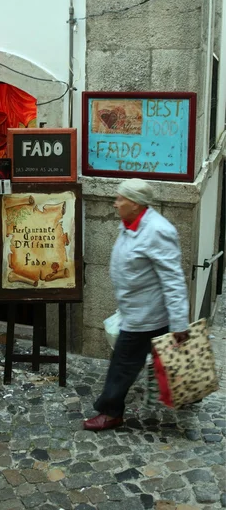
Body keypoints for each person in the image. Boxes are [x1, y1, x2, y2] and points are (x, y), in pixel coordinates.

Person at [83, 178, 189, 432]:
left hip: (147, 315)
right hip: (135, 310)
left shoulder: (157, 230)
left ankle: (111, 412)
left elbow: (173, 279)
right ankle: (187, 393)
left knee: (123, 363)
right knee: (165, 358)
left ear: (136, 203)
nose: (115, 202)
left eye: (120, 198)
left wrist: (179, 322)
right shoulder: (130, 223)